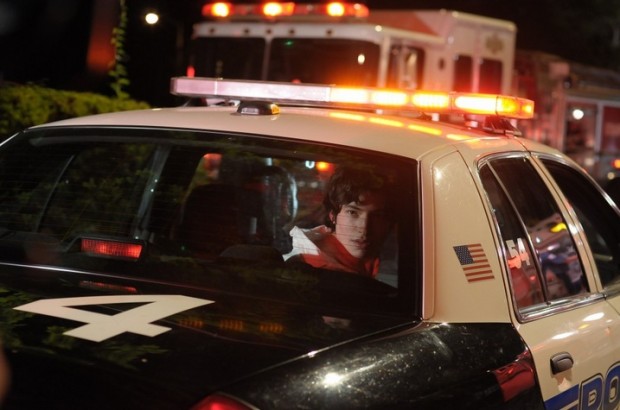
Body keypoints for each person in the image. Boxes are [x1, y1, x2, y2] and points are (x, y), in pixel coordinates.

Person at [283, 166, 396, 277]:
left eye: (377, 215)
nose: (364, 228)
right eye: (352, 212)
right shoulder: (308, 268)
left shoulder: (385, 258)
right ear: (333, 215)